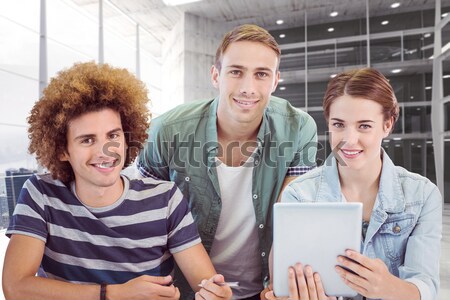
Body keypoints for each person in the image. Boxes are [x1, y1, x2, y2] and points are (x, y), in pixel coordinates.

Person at [2, 62, 232, 300]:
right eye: (87, 140)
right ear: (62, 150)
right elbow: (16, 287)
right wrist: (114, 294)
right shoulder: (41, 193)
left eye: (113, 135)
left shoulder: (165, 198)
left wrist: (215, 293)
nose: (106, 151)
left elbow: (204, 282)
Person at [136, 24, 318, 299]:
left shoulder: (299, 128)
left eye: (261, 74)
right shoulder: (167, 131)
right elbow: (142, 222)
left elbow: (291, 219)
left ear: (275, 80)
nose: (248, 88)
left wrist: (280, 286)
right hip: (185, 291)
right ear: (215, 75)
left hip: (265, 290)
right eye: (236, 72)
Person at [265, 68, 442, 300]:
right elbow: (283, 284)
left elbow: (426, 286)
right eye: (339, 125)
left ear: (387, 125)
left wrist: (388, 287)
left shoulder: (422, 195)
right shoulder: (299, 195)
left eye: (364, 126)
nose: (349, 140)